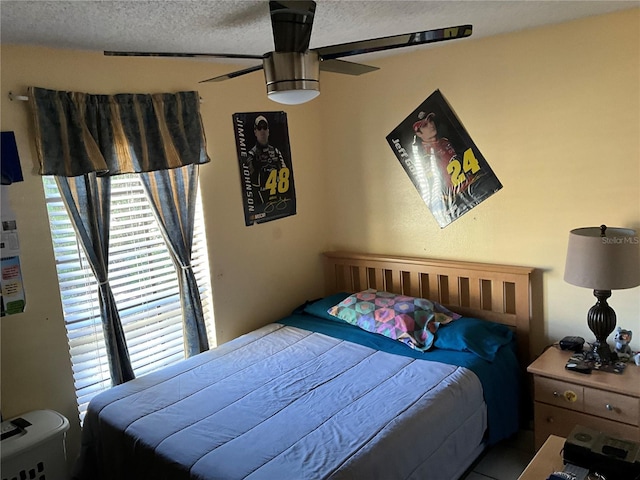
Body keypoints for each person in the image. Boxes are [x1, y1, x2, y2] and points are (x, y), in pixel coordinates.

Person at [245, 115, 287, 205]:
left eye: (265, 127)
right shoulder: (251, 155)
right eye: (259, 128)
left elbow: (285, 171)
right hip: (260, 198)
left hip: (277, 194)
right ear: (255, 131)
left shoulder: (276, 152)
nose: (262, 131)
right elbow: (250, 178)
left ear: (268, 131)